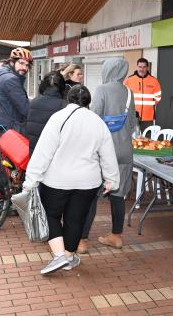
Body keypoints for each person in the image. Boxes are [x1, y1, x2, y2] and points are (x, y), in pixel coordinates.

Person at [23, 85, 120, 275]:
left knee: (49, 214)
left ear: (68, 99)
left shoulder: (58, 118)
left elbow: (44, 151)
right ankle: (68, 258)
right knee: (75, 220)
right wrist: (112, 180)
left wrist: (31, 179)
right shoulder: (98, 122)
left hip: (57, 180)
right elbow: (108, 155)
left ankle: (59, 255)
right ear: (89, 102)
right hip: (88, 182)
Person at [79, 58, 136, 252]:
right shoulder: (129, 92)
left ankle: (82, 240)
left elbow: (93, 118)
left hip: (104, 151)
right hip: (125, 150)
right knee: (118, 195)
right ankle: (116, 236)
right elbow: (132, 124)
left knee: (91, 195)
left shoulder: (101, 89)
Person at [25, 72, 66, 157]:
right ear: (62, 87)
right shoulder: (64, 105)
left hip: (34, 153)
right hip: (54, 155)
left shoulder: (34, 102)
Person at [124, 58, 161, 132]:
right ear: (137, 67)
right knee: (133, 137)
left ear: (147, 68)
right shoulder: (129, 80)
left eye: (144, 67)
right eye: (140, 67)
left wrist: (149, 106)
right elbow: (123, 96)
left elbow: (158, 96)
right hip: (132, 115)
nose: (142, 69)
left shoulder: (154, 81)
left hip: (148, 116)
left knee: (147, 139)